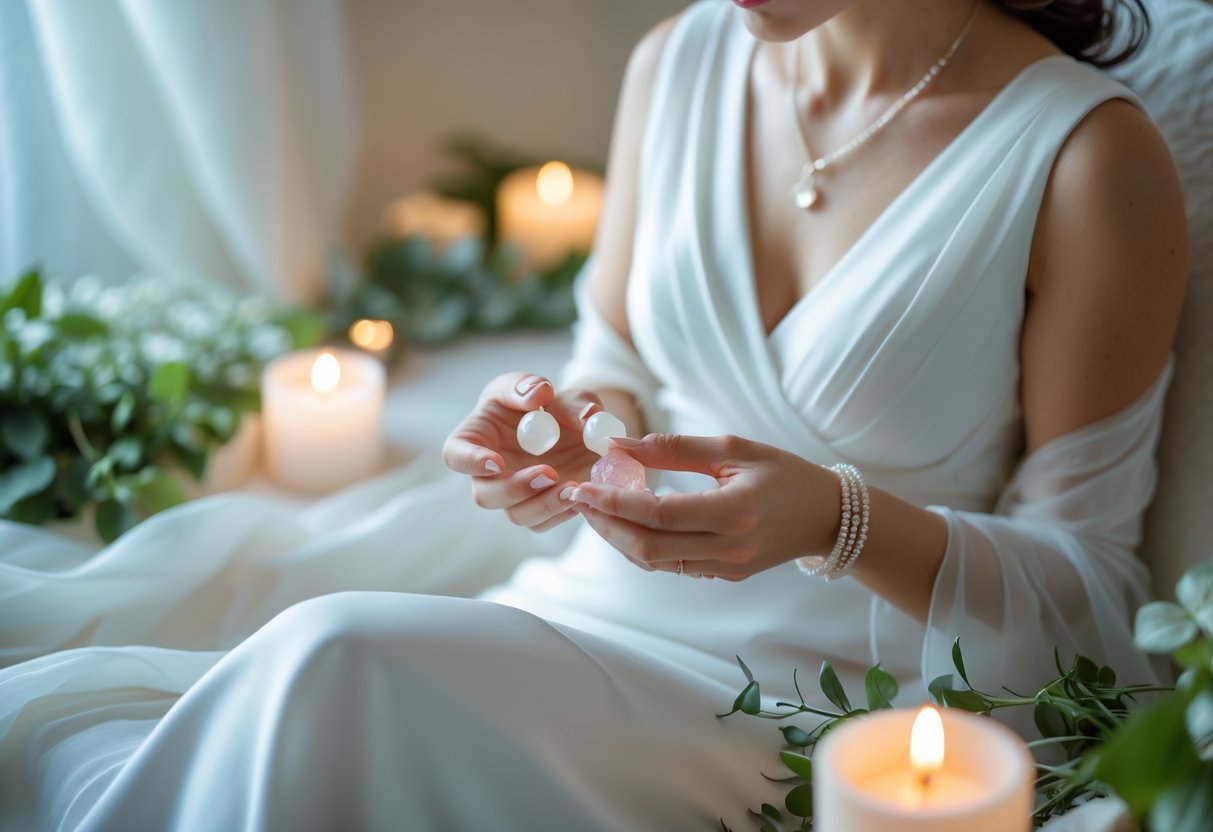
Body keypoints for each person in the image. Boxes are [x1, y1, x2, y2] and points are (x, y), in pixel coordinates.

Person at [0, 0, 1188, 830]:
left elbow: (1096, 611)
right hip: (578, 609)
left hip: (810, 713)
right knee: (322, 670)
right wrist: (565, 431)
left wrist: (840, 521)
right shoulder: (675, 63)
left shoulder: (1083, 160)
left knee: (333, 658)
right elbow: (613, 357)